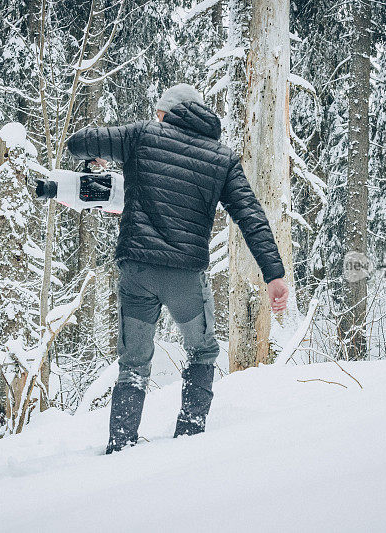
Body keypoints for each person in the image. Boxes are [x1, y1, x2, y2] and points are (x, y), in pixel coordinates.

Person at [67, 83, 289, 454]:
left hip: (137, 271)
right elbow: (251, 217)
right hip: (186, 277)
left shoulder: (141, 135)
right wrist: (274, 274)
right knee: (202, 352)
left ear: (166, 112)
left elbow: (79, 141)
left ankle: (120, 448)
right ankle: (189, 440)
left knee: (133, 364)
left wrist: (96, 160)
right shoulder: (221, 159)